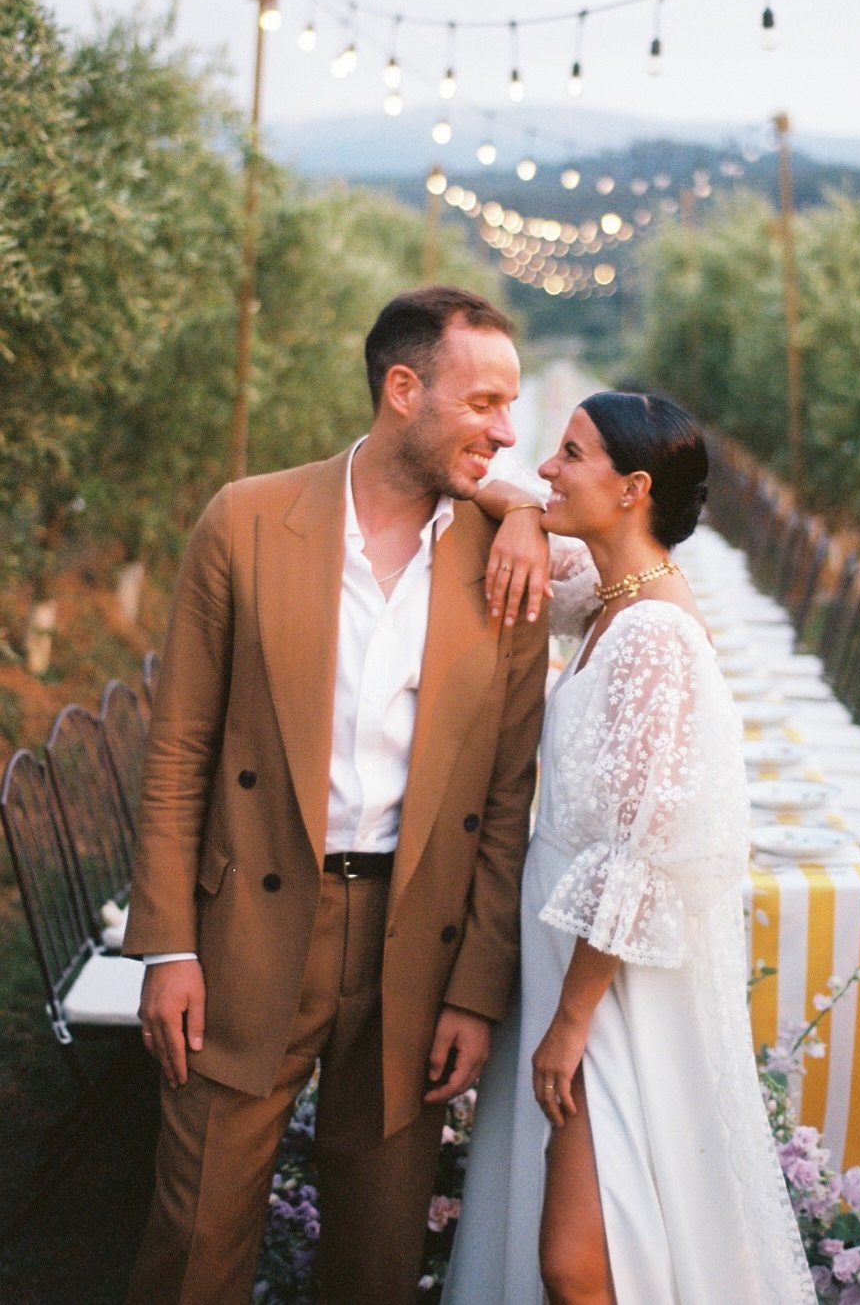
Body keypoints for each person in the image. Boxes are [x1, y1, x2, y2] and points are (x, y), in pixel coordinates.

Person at [122, 285, 551, 1304]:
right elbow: (179, 749)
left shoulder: (508, 563)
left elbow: (504, 800)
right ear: (404, 389)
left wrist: (476, 990)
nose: (507, 429)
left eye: (512, 405)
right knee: (197, 1239)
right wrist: (169, 946)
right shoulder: (248, 521)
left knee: (379, 1247)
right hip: (246, 932)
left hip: (418, 939)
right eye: (485, 401)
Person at [446, 392, 816, 1304]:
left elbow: (642, 854)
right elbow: (488, 488)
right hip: (576, 955)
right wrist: (529, 516)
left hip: (606, 981)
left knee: (576, 1265)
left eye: (569, 454)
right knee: (601, 1237)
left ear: (632, 488)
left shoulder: (652, 635)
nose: (544, 466)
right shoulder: (613, 596)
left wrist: (570, 1022)